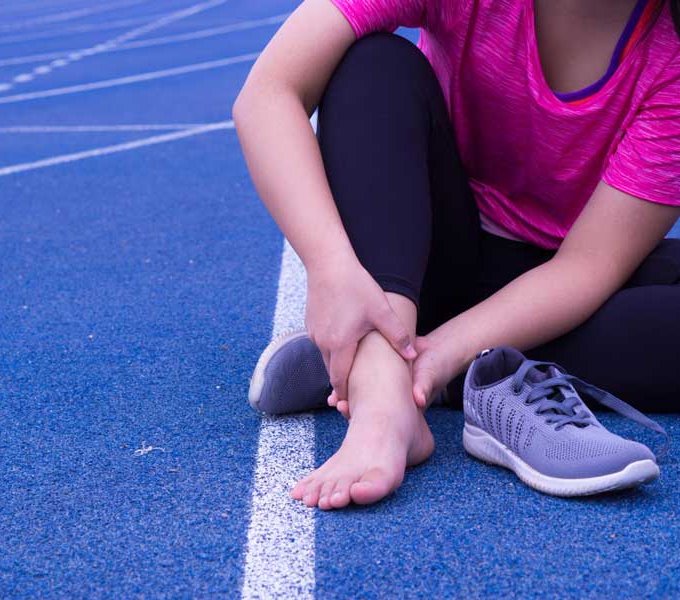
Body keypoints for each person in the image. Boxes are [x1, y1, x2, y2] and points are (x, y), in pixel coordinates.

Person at [233, 0, 680, 510]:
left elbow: (587, 266)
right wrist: (331, 269)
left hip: (556, 291)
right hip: (424, 255)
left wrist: (436, 359)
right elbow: (268, 93)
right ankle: (381, 396)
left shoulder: (669, 58)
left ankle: (404, 360)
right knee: (374, 64)